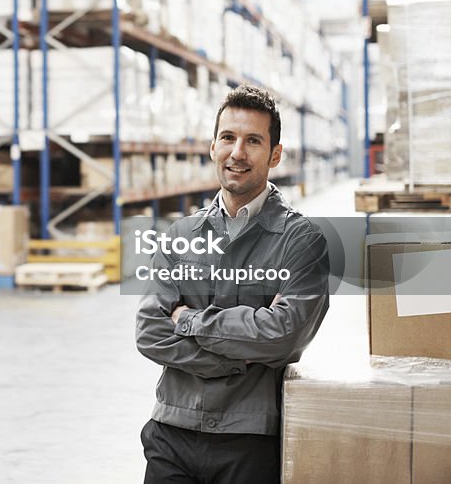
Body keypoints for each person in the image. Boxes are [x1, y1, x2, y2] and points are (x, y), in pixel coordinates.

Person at [135, 85, 330, 484]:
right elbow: (150, 331)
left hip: (250, 438)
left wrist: (188, 320)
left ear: (275, 154)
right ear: (212, 147)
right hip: (171, 430)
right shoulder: (179, 234)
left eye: (253, 141)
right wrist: (240, 360)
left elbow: (283, 335)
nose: (237, 152)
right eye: (228, 137)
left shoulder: (302, 241)